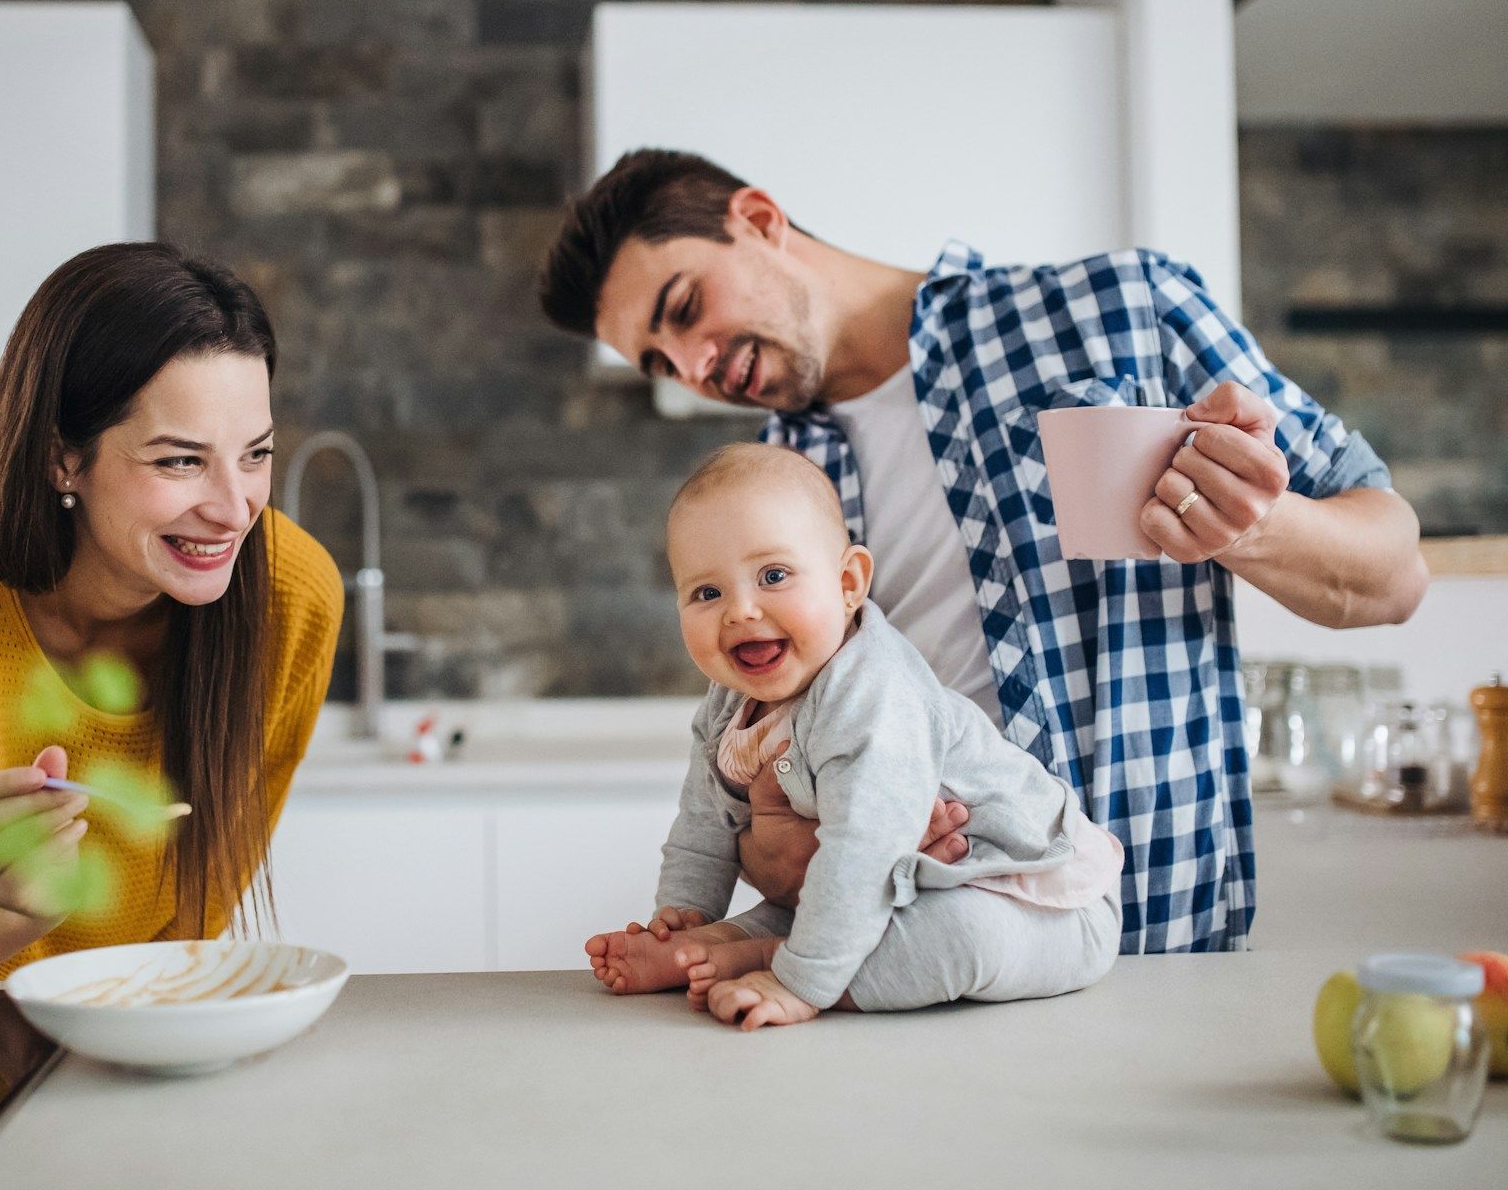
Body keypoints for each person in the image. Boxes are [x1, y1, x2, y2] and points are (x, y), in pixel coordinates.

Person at [541, 150, 1427, 953]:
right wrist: (777, 847)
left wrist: (1252, 526)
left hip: (1158, 936)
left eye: (685, 308)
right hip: (904, 957)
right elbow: (770, 781)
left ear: (762, 220)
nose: (694, 367)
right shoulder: (769, 489)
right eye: (660, 361)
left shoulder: (1119, 308)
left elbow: (1393, 576)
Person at [0, 242, 342, 1127]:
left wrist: (88, 1086)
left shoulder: (293, 602)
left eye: (255, 454)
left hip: (100, 1043)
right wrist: (7, 907)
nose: (234, 506)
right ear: (64, 459)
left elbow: (191, 916)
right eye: (179, 461)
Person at [586, 445, 1121, 1028]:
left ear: (848, 583)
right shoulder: (727, 708)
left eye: (773, 575)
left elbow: (863, 852)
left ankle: (779, 960)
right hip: (893, 888)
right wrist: (683, 913)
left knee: (959, 936)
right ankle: (706, 945)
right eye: (706, 593)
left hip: (1034, 896)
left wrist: (801, 982)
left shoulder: (872, 694)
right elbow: (701, 827)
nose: (740, 611)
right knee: (818, 901)